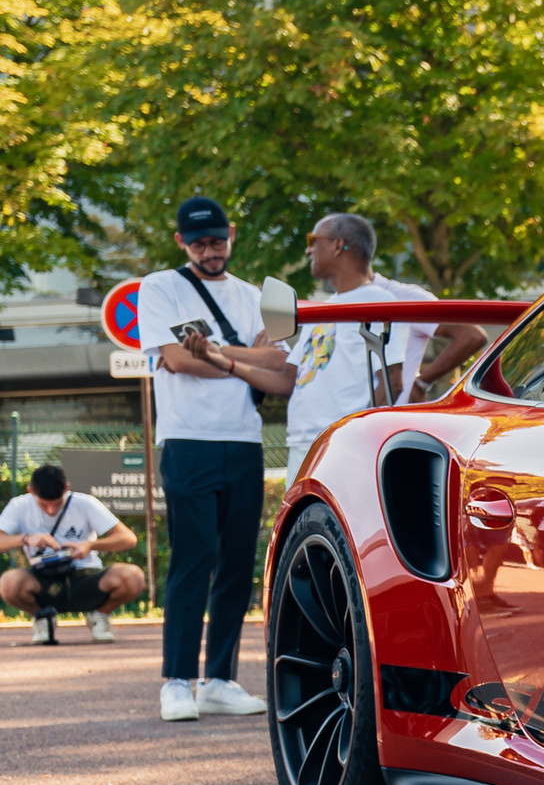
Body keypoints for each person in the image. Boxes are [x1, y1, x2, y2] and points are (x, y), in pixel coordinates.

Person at [138, 194, 293, 723]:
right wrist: (241, 360)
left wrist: (218, 355)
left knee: (235, 563)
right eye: (199, 242)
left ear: (231, 234)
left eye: (218, 240)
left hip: (244, 440)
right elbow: (177, 358)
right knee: (192, 557)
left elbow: (281, 363)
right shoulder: (160, 286)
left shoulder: (255, 295)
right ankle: (176, 680)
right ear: (181, 241)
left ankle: (221, 678)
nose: (210, 250)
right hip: (187, 439)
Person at [285, 211, 443, 479]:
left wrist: (356, 437)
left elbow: (392, 382)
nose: (308, 249)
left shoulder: (381, 301)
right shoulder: (324, 308)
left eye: (313, 240)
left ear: (337, 245)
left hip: (341, 446)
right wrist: (223, 359)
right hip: (303, 444)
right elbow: (289, 378)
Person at [0, 464, 145, 640]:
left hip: (87, 576)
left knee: (133, 576)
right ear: (31, 491)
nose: (51, 510)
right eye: (44, 505)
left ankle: (100, 616)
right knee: (8, 582)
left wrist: (89, 545)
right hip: (43, 580)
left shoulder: (85, 503)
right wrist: (26, 538)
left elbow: (128, 538)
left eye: (58, 503)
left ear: (67, 488)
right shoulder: (19, 506)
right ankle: (42, 617)